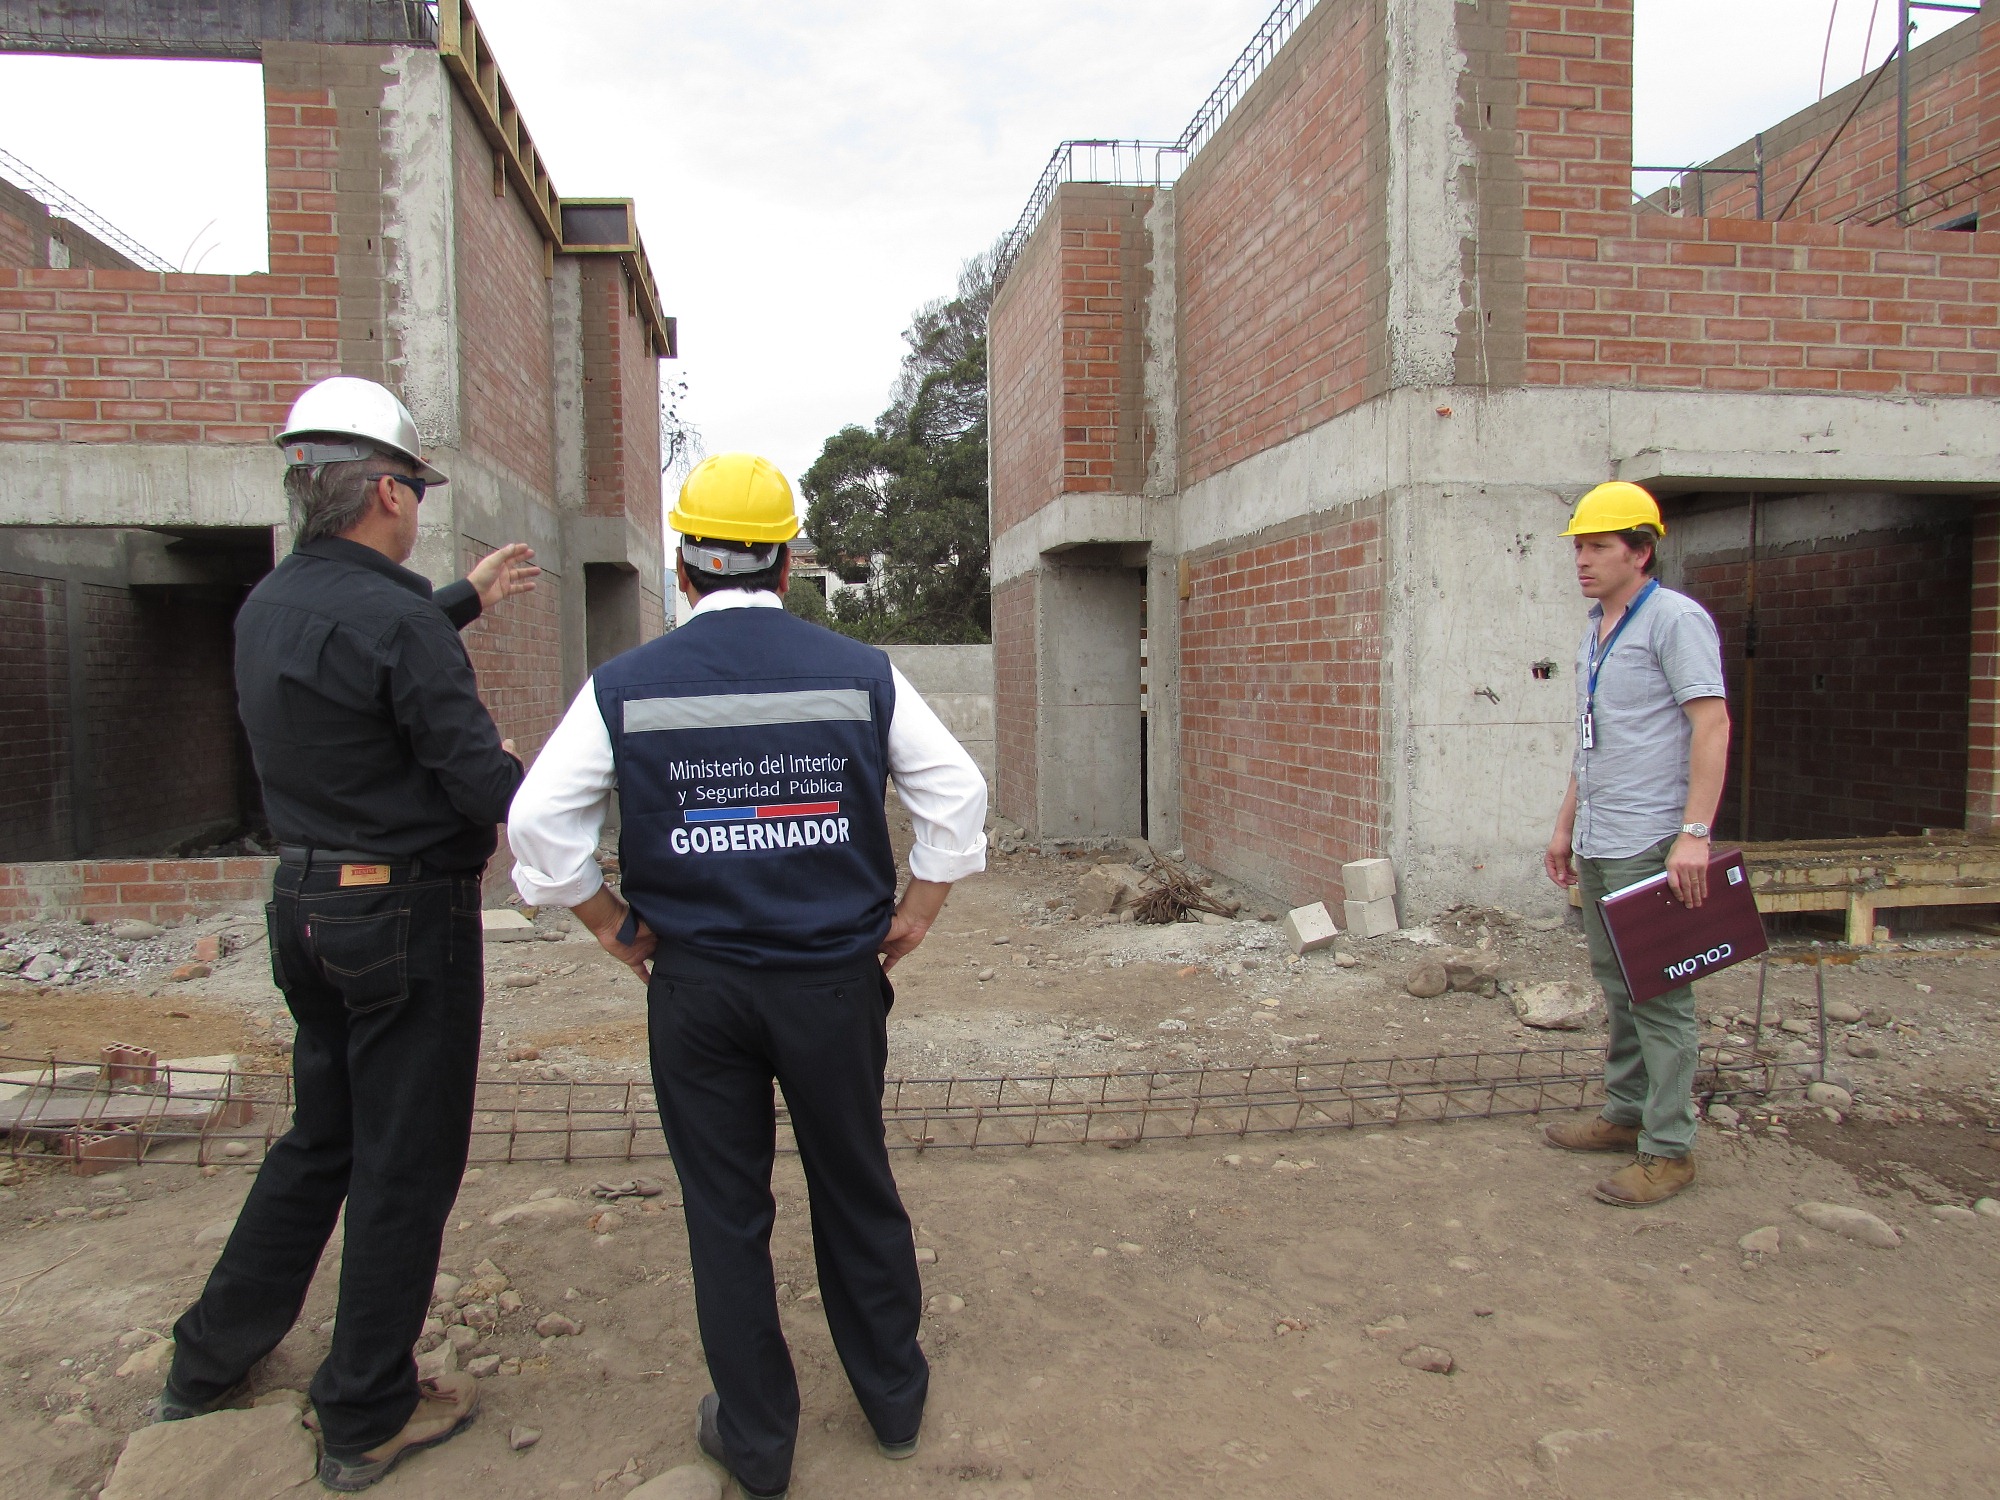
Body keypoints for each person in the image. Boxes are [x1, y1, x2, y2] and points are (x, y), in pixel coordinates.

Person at [507, 452, 987, 1500]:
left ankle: (758, 1443)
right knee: (854, 1186)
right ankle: (892, 1404)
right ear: (782, 566)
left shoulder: (623, 686)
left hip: (697, 989)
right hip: (829, 985)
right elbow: (955, 790)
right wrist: (920, 905)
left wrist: (605, 923)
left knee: (725, 1211)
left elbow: (539, 822)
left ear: (682, 568)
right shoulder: (859, 670)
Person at [160, 376, 541, 1492]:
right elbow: (478, 783)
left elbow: (364, 646)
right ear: (385, 488)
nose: (416, 505)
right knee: (402, 1165)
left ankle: (207, 1362)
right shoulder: (389, 624)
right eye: (413, 488)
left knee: (319, 1140)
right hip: (405, 918)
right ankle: (365, 1411)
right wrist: (535, 779)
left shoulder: (271, 604)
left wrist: (458, 600)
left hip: (307, 911)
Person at [1542, 481, 1729, 1208]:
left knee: (1660, 996)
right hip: (1602, 835)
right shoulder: (1597, 627)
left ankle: (1670, 1149)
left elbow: (1711, 726)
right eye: (1578, 546)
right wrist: (1566, 826)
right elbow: (1595, 745)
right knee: (1620, 988)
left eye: (1597, 546)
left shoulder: (1674, 622)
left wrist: (1693, 834)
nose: (1582, 560)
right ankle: (1626, 1115)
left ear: (1641, 551)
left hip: (1652, 839)